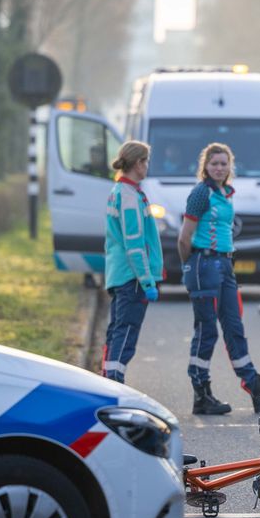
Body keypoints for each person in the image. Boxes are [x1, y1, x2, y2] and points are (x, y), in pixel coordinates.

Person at [179, 142, 260, 414]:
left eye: (224, 163)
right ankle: (201, 394)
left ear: (230, 166)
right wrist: (190, 267)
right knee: (206, 331)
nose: (219, 168)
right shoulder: (201, 193)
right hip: (204, 264)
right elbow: (184, 238)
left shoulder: (226, 193)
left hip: (224, 264)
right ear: (205, 166)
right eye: (214, 163)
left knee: (234, 328)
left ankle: (257, 389)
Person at [102, 141, 163, 383]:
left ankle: (107, 380)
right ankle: (114, 384)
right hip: (132, 276)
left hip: (119, 273)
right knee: (126, 332)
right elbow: (135, 244)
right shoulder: (129, 196)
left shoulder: (120, 191)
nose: (147, 166)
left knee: (117, 330)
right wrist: (147, 281)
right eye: (146, 161)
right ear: (138, 163)